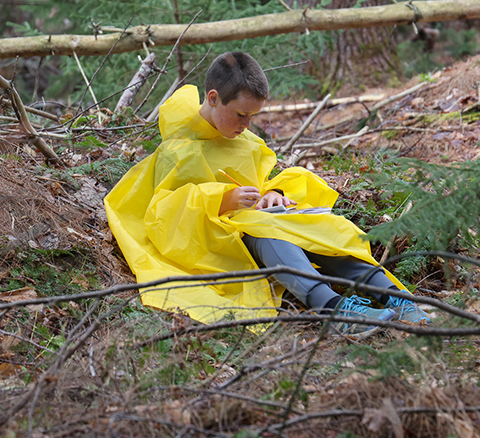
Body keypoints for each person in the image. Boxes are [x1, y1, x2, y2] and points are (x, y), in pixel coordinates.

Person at [104, 51, 429, 336]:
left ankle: (393, 296)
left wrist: (273, 192)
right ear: (213, 98)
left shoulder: (242, 139)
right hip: (217, 236)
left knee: (323, 229)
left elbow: (260, 179)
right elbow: (164, 211)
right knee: (272, 236)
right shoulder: (178, 149)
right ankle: (333, 309)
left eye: (253, 117)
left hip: (255, 218)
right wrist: (224, 199)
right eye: (241, 115)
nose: (246, 125)